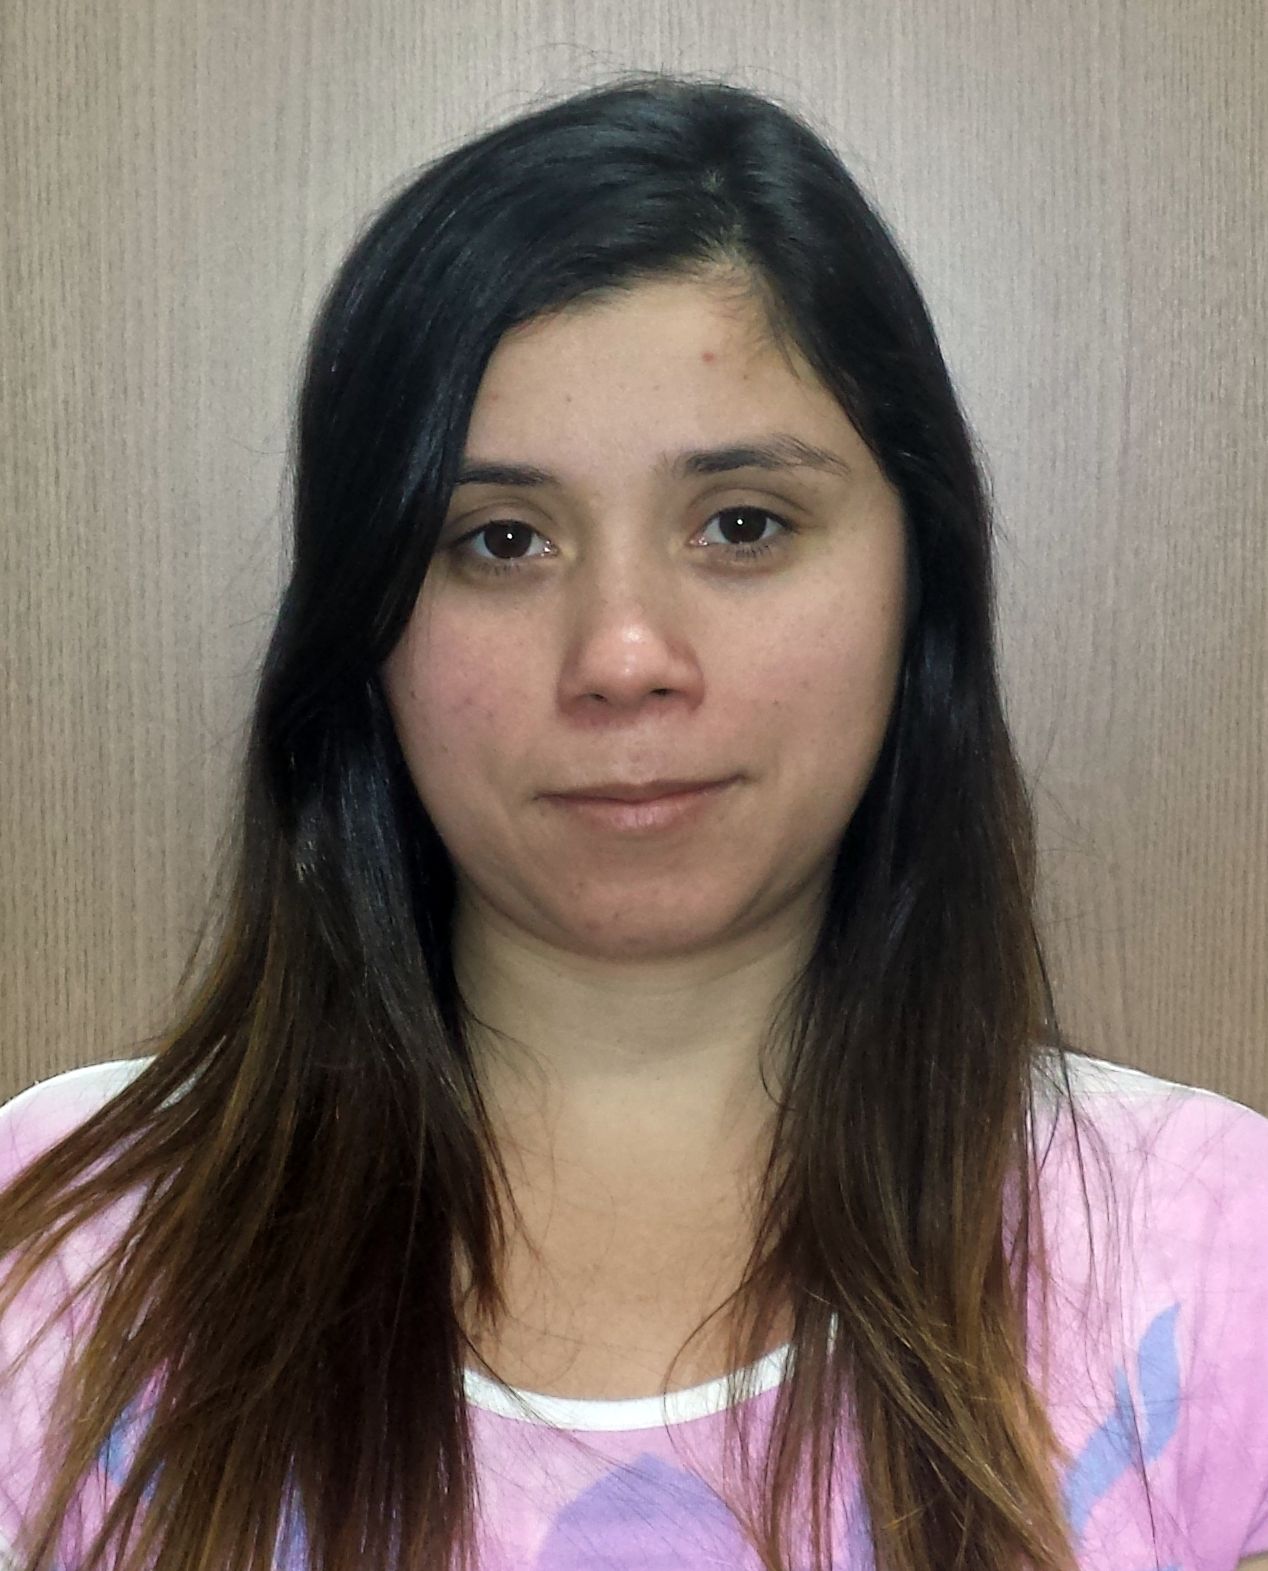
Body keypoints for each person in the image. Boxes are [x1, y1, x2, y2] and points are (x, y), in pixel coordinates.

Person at [1, 68, 1265, 1571]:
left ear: (916, 580)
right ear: (365, 626)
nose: (620, 656)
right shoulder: (58, 1253)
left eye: (743, 524)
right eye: (500, 541)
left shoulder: (1213, 1259)